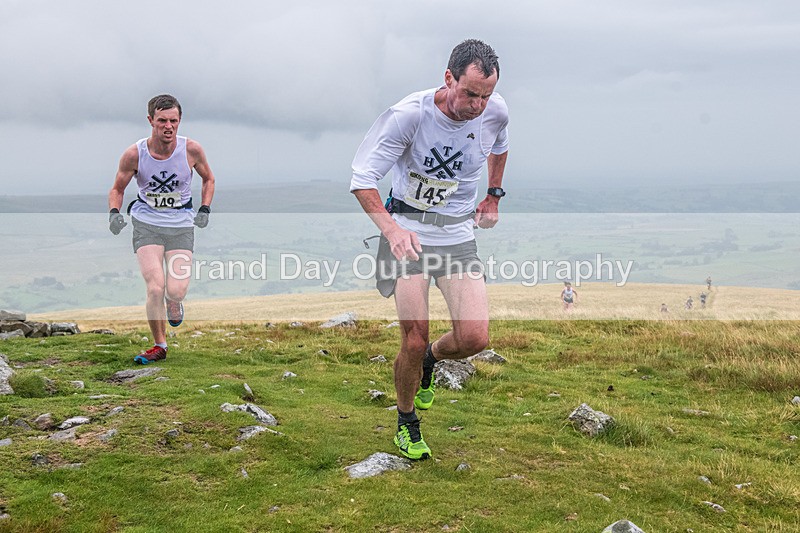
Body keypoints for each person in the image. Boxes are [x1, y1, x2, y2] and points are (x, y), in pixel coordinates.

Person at [351, 39, 509, 460]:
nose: (477, 105)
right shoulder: (409, 116)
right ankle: (407, 422)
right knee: (414, 337)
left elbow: (499, 144)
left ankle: (430, 363)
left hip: (457, 236)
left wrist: (493, 195)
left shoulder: (495, 111)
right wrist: (391, 230)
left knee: (475, 337)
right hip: (408, 234)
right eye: (470, 93)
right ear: (448, 78)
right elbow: (361, 180)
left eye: (485, 95)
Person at [108, 94, 216, 364]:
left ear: (179, 121)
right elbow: (117, 189)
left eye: (174, 121)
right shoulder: (135, 153)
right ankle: (160, 345)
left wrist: (204, 208)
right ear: (150, 121)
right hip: (147, 224)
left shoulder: (191, 150)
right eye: (162, 121)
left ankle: (175, 301)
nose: (168, 126)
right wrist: (113, 214)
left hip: (180, 226)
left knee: (176, 290)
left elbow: (209, 179)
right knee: (155, 287)